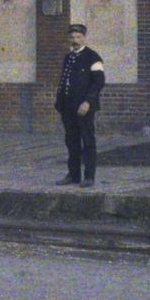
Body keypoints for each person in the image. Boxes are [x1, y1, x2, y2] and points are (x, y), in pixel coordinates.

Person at [54, 22, 106, 187]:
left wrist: (87, 102)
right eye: (72, 37)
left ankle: (89, 176)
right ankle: (73, 175)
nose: (75, 40)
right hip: (68, 106)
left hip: (84, 106)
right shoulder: (69, 57)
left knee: (88, 140)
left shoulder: (93, 57)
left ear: (84, 38)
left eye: (78, 37)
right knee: (71, 140)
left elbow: (99, 82)